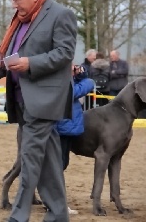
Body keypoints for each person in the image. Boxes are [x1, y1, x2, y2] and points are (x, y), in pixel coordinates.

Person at [0, 0, 76, 222]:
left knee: (30, 158)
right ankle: (58, 214)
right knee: (49, 161)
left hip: (43, 100)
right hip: (21, 99)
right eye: (11, 0)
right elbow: (13, 56)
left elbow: (65, 54)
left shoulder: (60, 14)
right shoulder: (21, 19)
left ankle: (18, 216)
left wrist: (30, 63)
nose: (14, 5)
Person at [56, 64, 94, 214]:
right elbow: (73, 91)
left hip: (64, 126)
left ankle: (52, 200)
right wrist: (88, 81)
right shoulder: (60, 77)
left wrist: (79, 75)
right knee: (58, 165)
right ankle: (56, 203)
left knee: (60, 164)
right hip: (62, 126)